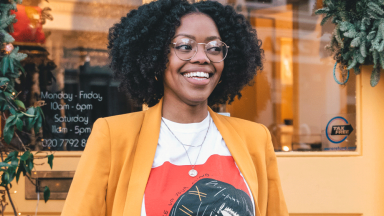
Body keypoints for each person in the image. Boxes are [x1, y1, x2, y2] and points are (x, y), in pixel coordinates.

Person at [61, 0, 288, 215]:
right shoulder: (113, 137)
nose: (202, 57)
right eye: (185, 46)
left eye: (214, 48)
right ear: (156, 56)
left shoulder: (255, 139)